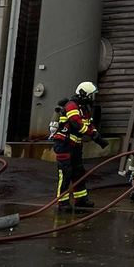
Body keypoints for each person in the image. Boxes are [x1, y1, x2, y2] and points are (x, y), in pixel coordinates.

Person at [53, 82, 109, 210]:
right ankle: (63, 202)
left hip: (76, 146)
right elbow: (77, 124)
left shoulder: (84, 109)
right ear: (84, 94)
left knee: (79, 173)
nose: (92, 99)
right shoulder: (72, 106)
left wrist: (97, 136)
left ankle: (81, 200)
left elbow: (90, 125)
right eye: (91, 95)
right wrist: (93, 135)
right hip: (64, 145)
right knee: (65, 174)